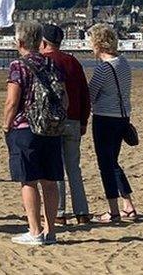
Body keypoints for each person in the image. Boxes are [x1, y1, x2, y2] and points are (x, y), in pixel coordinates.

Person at [3, 21, 63, 246]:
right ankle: (51, 232)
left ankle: (35, 230)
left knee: (28, 180)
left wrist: (6, 125)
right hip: (50, 128)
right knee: (50, 181)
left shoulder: (18, 65)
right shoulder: (52, 63)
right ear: (40, 41)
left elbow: (12, 101)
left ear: (19, 42)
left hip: (25, 127)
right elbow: (63, 97)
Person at [38, 24, 91, 226]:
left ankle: (59, 212)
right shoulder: (72, 62)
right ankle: (82, 212)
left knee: (56, 167)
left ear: (43, 43)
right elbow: (84, 94)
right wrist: (84, 120)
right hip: (74, 120)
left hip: (53, 120)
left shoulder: (44, 62)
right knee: (74, 168)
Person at [86, 23, 137, 223]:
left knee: (105, 164)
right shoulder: (123, 62)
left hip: (105, 118)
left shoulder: (103, 69)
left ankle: (114, 210)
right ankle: (128, 206)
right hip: (122, 117)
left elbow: (91, 95)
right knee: (113, 162)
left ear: (98, 43)